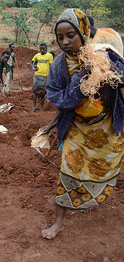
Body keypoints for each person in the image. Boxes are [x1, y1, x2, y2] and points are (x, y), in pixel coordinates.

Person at [42, 9, 124, 240]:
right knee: (68, 171)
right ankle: (59, 222)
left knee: (103, 168)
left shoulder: (104, 54)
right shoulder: (59, 65)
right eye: (60, 37)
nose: (65, 42)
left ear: (84, 33)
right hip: (77, 129)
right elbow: (59, 98)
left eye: (71, 35)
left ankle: (88, 200)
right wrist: (84, 76)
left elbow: (122, 78)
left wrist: (103, 70)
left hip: (106, 128)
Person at [30, 43, 53, 112]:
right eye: (40, 49)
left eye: (43, 48)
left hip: (45, 77)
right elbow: (31, 62)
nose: (42, 50)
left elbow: (51, 65)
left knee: (43, 93)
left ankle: (41, 108)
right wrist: (33, 68)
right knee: (35, 91)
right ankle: (34, 107)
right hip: (37, 76)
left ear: (46, 48)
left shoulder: (49, 56)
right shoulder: (37, 55)